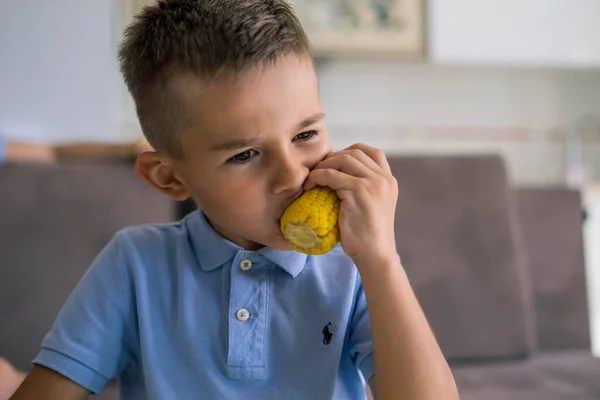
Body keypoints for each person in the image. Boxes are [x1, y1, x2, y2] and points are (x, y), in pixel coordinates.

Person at [10, 1, 458, 399]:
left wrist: (380, 260)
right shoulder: (134, 266)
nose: (292, 174)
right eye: (245, 154)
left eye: (305, 134)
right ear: (169, 177)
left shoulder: (354, 269)